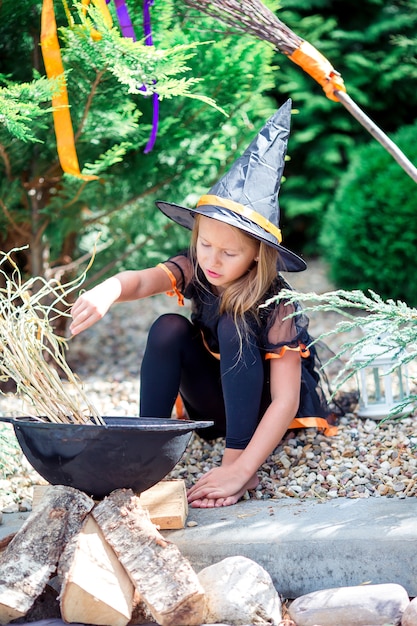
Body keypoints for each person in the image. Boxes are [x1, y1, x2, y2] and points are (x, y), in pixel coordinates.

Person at [70, 99, 334, 509]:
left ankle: (232, 455)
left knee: (235, 324)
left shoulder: (279, 303)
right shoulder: (198, 267)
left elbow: (285, 400)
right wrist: (109, 290)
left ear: (256, 256)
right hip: (213, 401)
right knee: (167, 326)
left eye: (228, 253)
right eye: (205, 244)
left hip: (260, 411)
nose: (211, 259)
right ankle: (148, 452)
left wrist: (241, 469)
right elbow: (143, 280)